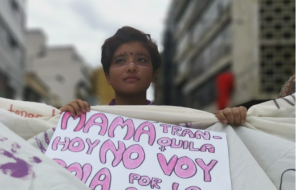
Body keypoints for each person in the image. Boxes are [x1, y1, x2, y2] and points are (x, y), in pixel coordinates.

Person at [60, 26, 247, 126]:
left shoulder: (178, 123)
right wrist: (63, 119)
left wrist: (228, 121)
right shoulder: (85, 121)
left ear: (154, 75)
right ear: (108, 76)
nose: (131, 67)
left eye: (141, 60)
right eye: (120, 61)